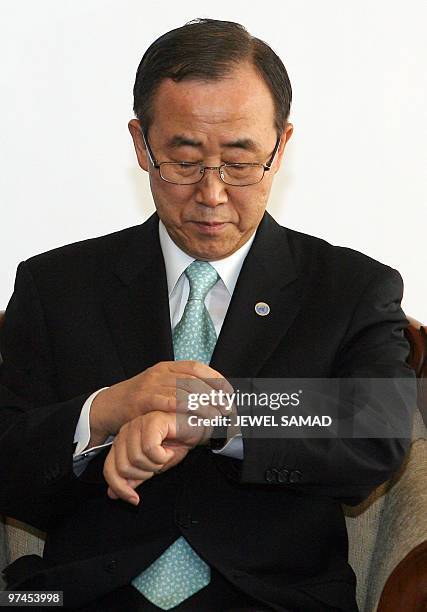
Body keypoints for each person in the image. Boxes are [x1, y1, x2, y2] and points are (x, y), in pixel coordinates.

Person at [0, 18, 415, 612]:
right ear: (142, 145)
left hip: (271, 600)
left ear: (281, 146)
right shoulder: (55, 285)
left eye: (241, 162)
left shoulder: (350, 287)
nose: (213, 193)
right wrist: (107, 411)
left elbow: (375, 427)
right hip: (79, 595)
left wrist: (216, 415)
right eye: (185, 160)